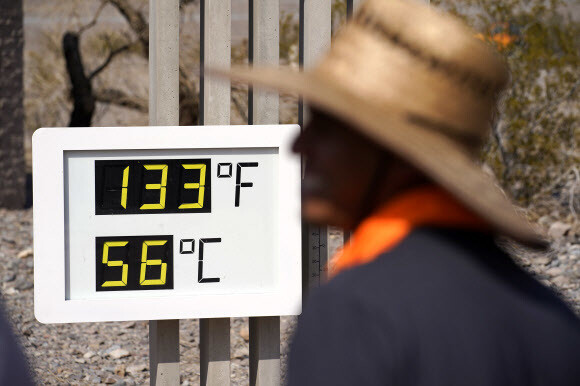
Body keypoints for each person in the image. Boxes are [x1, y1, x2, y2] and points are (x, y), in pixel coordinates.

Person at [215, 0, 580, 384]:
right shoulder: (553, 320)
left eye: (329, 127)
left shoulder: (354, 314)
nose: (300, 147)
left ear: (399, 152)